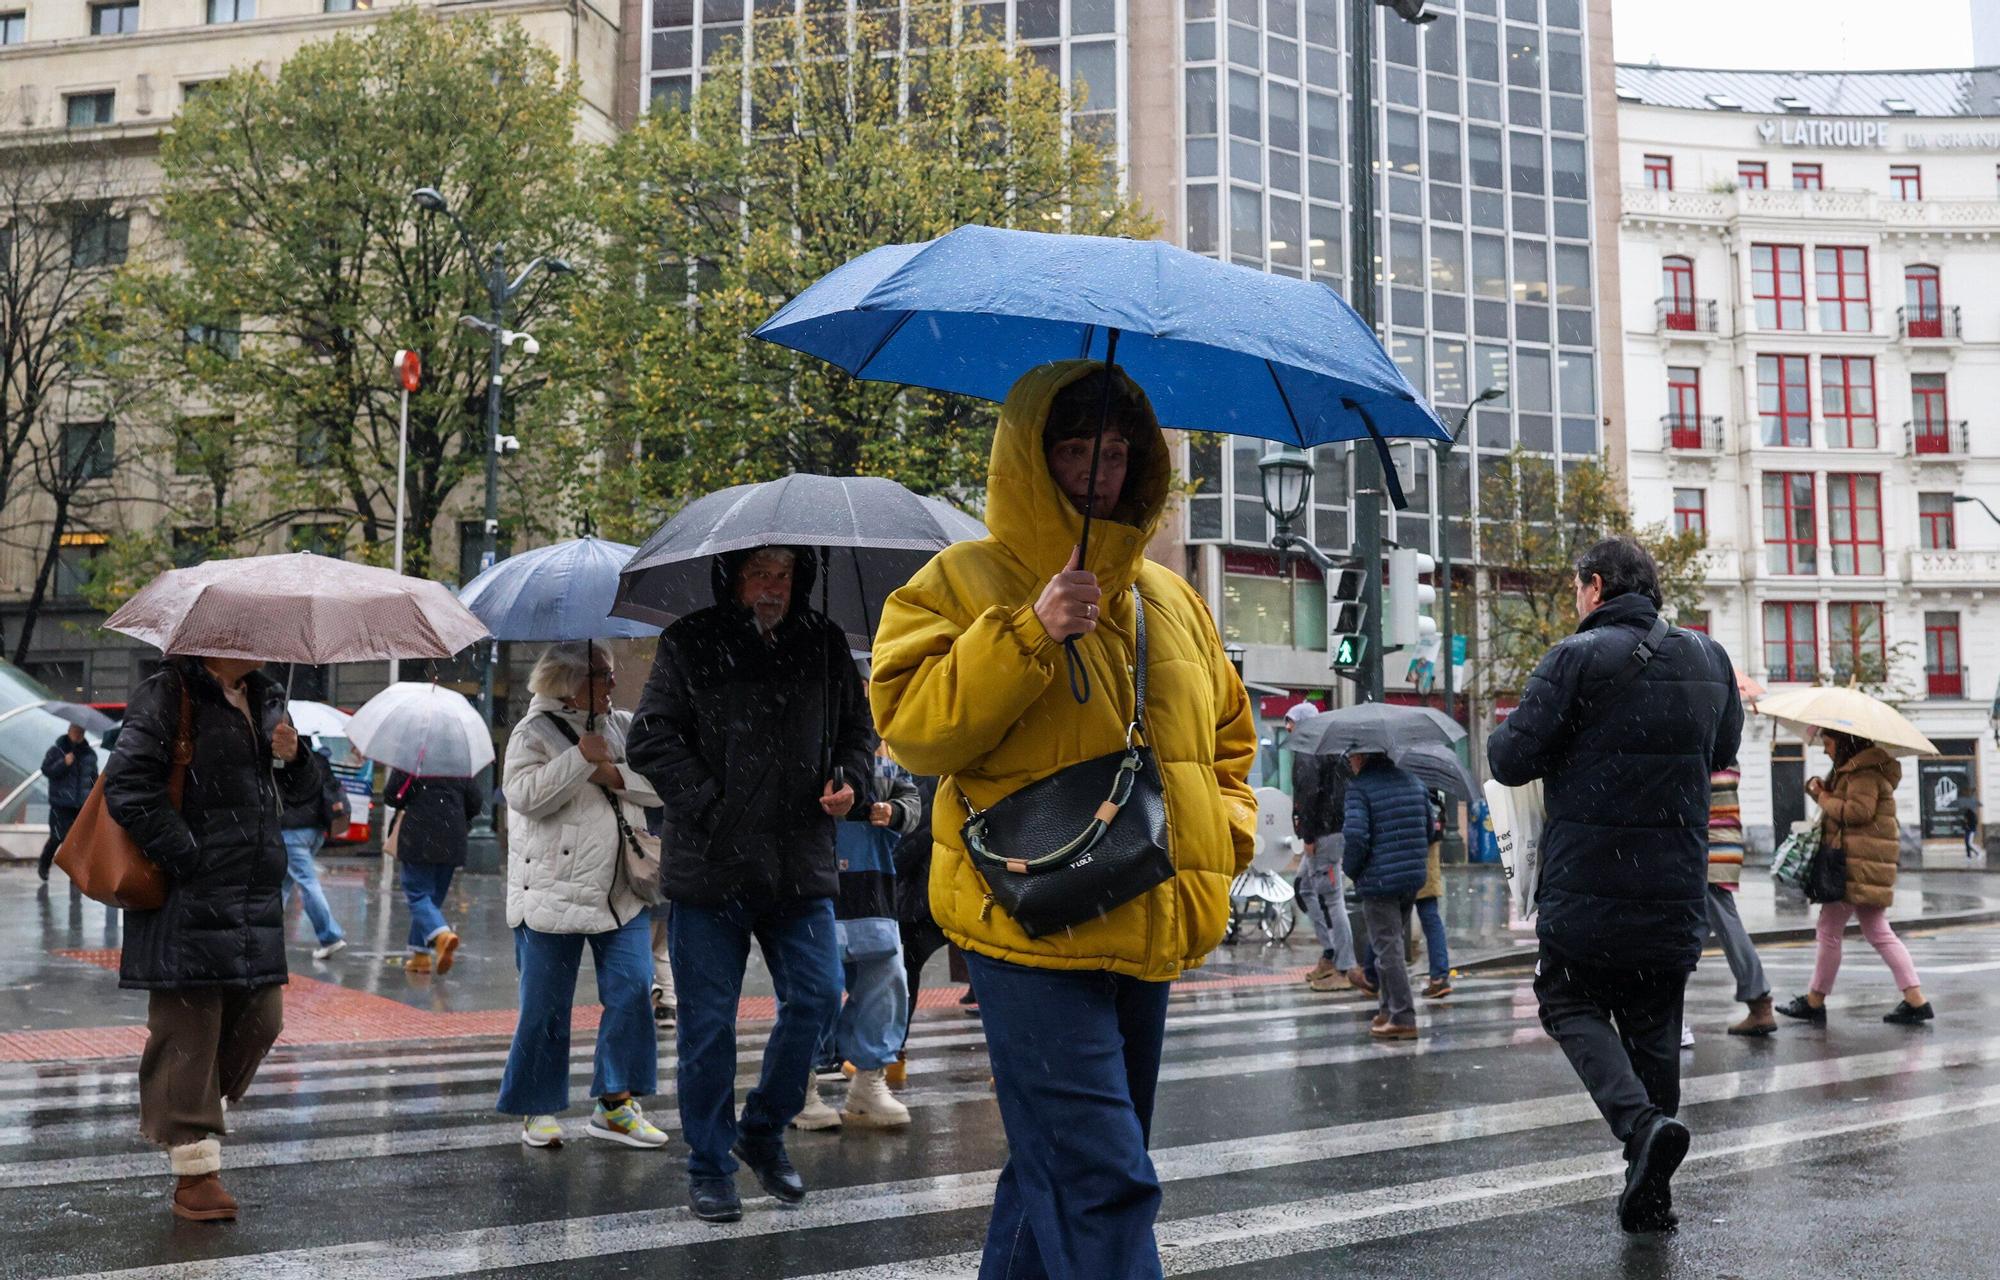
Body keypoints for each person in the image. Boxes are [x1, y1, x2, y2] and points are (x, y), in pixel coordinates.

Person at [872, 361, 1257, 1277]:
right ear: (1032, 458)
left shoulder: (1171, 598)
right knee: (1104, 1182)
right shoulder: (958, 581)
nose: (1100, 470)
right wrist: (1029, 631)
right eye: (1077, 448)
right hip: (1028, 927)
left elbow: (1229, 738)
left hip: (1147, 914)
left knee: (1055, 1174)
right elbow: (916, 731)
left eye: (1118, 450)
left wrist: (1221, 838)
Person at [1488, 535, 1740, 1235]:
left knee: (1565, 998)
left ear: (1595, 585)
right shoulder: (1708, 658)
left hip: (1588, 886)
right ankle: (1651, 1194)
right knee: (1654, 1030)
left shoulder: (1575, 658)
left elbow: (1509, 759)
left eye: (1577, 588)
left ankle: (1640, 1129)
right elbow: (1721, 751)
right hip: (1674, 890)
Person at [628, 543, 871, 1224]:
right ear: (732, 578)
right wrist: (710, 799)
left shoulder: (824, 644)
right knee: (708, 1026)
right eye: (760, 572)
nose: (773, 586)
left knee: (820, 996)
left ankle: (761, 1128)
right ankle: (709, 1165)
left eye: (785, 574)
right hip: (711, 868)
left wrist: (850, 782)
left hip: (799, 865)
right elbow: (649, 739)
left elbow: (858, 732)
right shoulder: (691, 642)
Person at [102, 655, 318, 1221]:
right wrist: (188, 856)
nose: (263, 646)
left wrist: (295, 758)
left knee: (261, 1019)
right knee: (188, 1029)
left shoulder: (268, 697)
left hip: (251, 899)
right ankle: (194, 1171)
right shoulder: (168, 692)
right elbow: (128, 787)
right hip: (187, 896)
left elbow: (301, 794)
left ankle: (185, 1106)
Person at [498, 641, 668, 1151]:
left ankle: (616, 1104)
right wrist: (577, 758)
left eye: (611, 673)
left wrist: (611, 771)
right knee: (545, 1006)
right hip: (551, 889)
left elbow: (660, 785)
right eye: (600, 674)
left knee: (634, 991)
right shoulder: (533, 731)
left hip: (621, 887)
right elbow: (524, 797)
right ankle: (537, 1107)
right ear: (566, 680)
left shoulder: (623, 726)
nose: (612, 683)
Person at [796, 742, 923, 1130]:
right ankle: (799, 1086)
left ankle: (868, 1080)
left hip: (871, 883)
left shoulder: (885, 748)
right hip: (813, 877)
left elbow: (911, 797)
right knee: (813, 988)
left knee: (886, 981)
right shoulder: (803, 728)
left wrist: (895, 811)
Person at [1776, 730, 1935, 1028]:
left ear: (1844, 743)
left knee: (1830, 930)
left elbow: (1857, 812)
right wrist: (1826, 791)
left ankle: (1815, 1001)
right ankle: (1915, 999)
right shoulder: (1860, 771)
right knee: (1876, 930)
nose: (1825, 750)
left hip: (1853, 866)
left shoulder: (1863, 773)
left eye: (1828, 743)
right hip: (1862, 864)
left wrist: (1823, 796)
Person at [1340, 753, 1430, 1042]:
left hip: (1379, 880)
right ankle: (1387, 1009)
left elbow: (1355, 836)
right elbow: (1428, 828)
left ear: (1362, 756)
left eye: (1352, 755)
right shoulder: (1413, 781)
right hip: (1411, 877)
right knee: (1387, 946)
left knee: (1387, 949)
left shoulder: (1360, 787)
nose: (1349, 760)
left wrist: (1352, 870)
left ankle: (1403, 1016)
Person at [1289, 706, 1362, 994]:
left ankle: (1345, 967)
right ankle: (1331, 952)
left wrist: (1308, 834)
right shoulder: (1330, 751)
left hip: (1323, 835)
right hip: (1328, 831)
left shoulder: (1310, 751)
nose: (1288, 728)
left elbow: (1309, 794)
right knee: (1305, 887)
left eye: (1291, 722)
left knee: (1333, 898)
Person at [383, 766, 482, 974]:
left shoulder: (413, 757)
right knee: (432, 899)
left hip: (419, 832)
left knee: (417, 894)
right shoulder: (460, 763)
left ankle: (442, 936)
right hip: (453, 835)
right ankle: (420, 955)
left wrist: (410, 797)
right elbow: (475, 802)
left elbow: (392, 795)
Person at [1703, 767, 1774, 1036]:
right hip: (1724, 845)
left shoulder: (1709, 756)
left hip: (1711, 849)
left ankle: (1759, 1001)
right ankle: (1759, 1002)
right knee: (1695, 928)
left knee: (1722, 926)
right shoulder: (1726, 755)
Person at [279, 737, 350, 961]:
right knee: (281, 883)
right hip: (315, 830)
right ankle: (263, 933)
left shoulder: (285, 762)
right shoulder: (319, 759)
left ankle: (330, 936)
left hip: (292, 831)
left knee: (306, 882)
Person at [891, 770, 941, 1087]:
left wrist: (887, 868)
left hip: (924, 897)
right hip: (944, 891)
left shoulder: (923, 771)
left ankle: (892, 1056)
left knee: (903, 976)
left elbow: (916, 834)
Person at [38, 721, 97, 884]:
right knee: (57, 837)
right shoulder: (57, 751)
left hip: (80, 806)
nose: (78, 734)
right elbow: (46, 770)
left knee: (78, 842)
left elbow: (94, 780)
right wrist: (64, 763)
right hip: (61, 804)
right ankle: (44, 863)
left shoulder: (89, 754)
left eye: (81, 731)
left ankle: (75, 875)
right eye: (75, 730)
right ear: (69, 730)